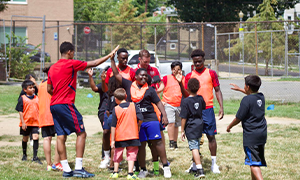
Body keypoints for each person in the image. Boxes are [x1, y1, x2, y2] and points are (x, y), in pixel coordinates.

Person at [47, 41, 118, 178]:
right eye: (73, 52)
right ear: (69, 52)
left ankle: (67, 170)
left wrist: (57, 96)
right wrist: (109, 55)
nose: (74, 55)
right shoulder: (71, 63)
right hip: (66, 104)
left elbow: (49, 89)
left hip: (54, 105)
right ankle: (78, 168)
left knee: (61, 136)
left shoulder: (52, 68)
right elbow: (95, 63)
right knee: (81, 133)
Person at [111, 57, 172, 178]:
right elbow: (116, 74)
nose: (144, 77)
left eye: (146, 76)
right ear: (136, 77)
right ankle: (143, 169)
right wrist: (112, 60)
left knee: (157, 142)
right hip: (136, 122)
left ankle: (165, 166)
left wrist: (164, 115)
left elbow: (159, 103)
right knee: (141, 145)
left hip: (151, 119)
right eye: (141, 76)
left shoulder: (149, 89)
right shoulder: (129, 85)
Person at [179, 49, 224, 173]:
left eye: (199, 61)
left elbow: (217, 90)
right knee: (194, 138)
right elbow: (186, 95)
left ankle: (214, 164)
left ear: (204, 60)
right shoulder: (189, 76)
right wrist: (180, 84)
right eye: (195, 62)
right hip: (194, 112)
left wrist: (221, 107)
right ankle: (195, 164)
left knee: (211, 136)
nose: (197, 64)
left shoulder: (211, 73)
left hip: (208, 109)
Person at [227, 75, 267, 180]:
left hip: (251, 136)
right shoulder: (261, 97)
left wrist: (229, 126)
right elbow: (252, 96)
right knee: (255, 161)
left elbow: (238, 118)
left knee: (254, 164)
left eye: (244, 85)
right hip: (262, 134)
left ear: (247, 87)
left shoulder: (246, 100)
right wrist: (239, 89)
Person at [109, 88, 143, 179]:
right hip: (133, 135)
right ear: (126, 96)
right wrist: (138, 126)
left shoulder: (115, 109)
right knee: (132, 154)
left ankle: (115, 172)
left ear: (116, 99)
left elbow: (113, 125)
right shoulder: (133, 105)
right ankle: (130, 173)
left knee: (117, 154)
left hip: (120, 136)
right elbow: (141, 118)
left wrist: (112, 140)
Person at [180, 78, 206, 178]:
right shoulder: (200, 98)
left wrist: (182, 130)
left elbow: (184, 117)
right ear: (198, 88)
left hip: (191, 127)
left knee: (194, 147)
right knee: (197, 146)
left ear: (187, 88)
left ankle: (200, 170)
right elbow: (203, 108)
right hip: (200, 125)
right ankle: (195, 167)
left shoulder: (186, 101)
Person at [38, 67, 62, 171]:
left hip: (43, 114)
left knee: (46, 138)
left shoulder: (41, 84)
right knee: (60, 138)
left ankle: (48, 164)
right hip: (54, 113)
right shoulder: (55, 83)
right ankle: (56, 163)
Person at [156, 61, 184, 150]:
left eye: (178, 69)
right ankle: (171, 141)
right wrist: (160, 101)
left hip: (179, 104)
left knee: (176, 124)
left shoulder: (183, 78)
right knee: (171, 123)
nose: (176, 71)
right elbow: (159, 89)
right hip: (169, 104)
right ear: (171, 70)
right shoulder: (166, 78)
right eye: (174, 69)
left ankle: (175, 142)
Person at [15, 80, 42, 165]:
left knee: (36, 137)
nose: (32, 89)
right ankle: (24, 155)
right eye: (30, 88)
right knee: (25, 138)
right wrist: (23, 122)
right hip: (26, 122)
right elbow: (20, 111)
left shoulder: (37, 98)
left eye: (33, 87)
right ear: (25, 90)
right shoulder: (22, 98)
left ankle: (35, 157)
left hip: (35, 122)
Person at [87, 67, 110, 166]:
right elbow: (94, 88)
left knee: (115, 134)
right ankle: (105, 157)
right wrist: (90, 77)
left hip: (115, 111)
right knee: (106, 132)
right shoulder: (104, 84)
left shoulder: (118, 84)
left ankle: (114, 158)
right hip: (103, 111)